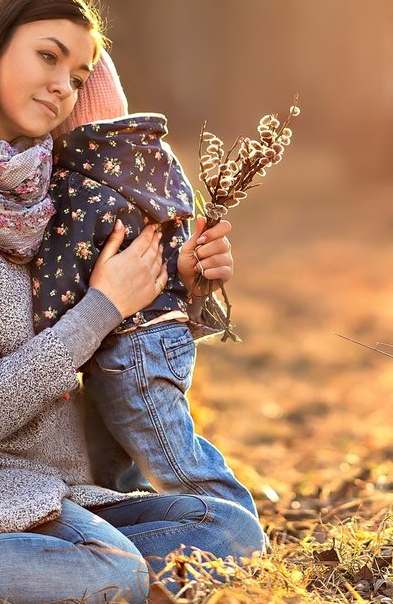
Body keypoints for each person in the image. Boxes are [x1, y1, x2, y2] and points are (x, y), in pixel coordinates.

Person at [0, 0, 266, 604]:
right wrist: (102, 306)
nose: (62, 86)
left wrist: (175, 289)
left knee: (231, 531)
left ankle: (65, 575)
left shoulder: (70, 202)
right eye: (48, 57)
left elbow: (112, 381)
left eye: (77, 77)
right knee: (109, 573)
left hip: (67, 491)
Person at [32, 50, 257, 516]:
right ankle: (153, 521)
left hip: (128, 346)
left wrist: (44, 326)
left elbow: (61, 269)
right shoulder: (153, 162)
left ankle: (234, 525)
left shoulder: (79, 184)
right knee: (121, 457)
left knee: (177, 461)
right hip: (162, 335)